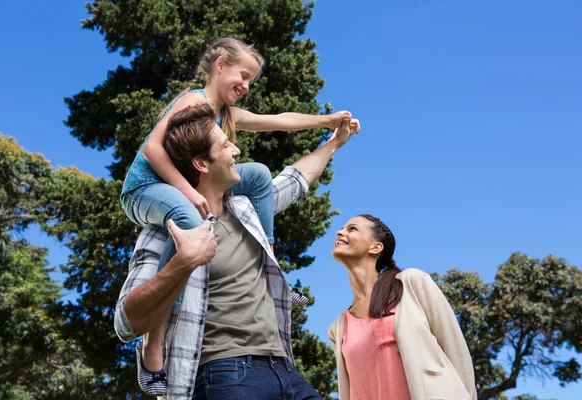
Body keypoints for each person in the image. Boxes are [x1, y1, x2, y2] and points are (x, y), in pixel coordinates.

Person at [119, 37, 359, 395]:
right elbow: (153, 147)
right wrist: (189, 193)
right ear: (219, 65)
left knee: (260, 174)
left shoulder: (225, 116)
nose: (246, 86)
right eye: (242, 75)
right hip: (146, 188)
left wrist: (328, 122)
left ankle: (270, 256)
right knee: (187, 219)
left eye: (251, 81)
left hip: (188, 189)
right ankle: (153, 346)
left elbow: (278, 121)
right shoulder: (193, 101)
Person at [327, 214, 476, 400]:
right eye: (342, 228)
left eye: (352, 228)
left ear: (375, 247)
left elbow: (456, 353)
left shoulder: (411, 284)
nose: (339, 232)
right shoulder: (339, 328)